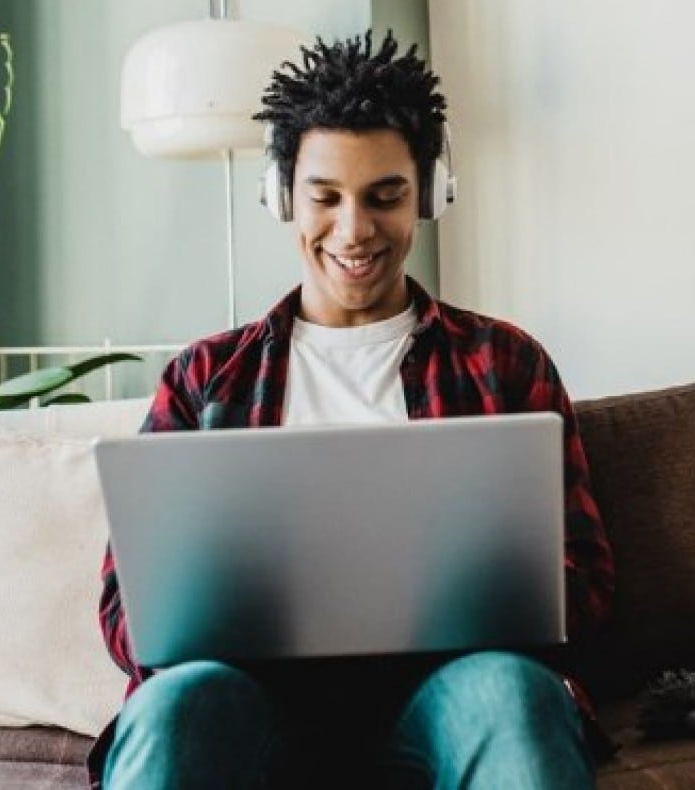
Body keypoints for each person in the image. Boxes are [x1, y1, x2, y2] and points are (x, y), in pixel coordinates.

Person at [87, 30, 615, 790]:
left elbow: (590, 589)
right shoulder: (206, 379)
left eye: (385, 196)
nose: (354, 230)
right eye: (325, 197)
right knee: (175, 705)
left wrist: (504, 590)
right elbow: (123, 612)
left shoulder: (505, 364)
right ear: (280, 194)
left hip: (449, 695)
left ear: (430, 192)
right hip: (248, 704)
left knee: (510, 691)